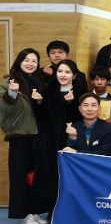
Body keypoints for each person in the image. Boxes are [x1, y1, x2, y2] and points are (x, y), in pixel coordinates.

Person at [0, 48, 46, 224]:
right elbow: (4, 109)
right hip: (20, 135)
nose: (30, 64)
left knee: (35, 176)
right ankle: (24, 214)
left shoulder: (38, 82)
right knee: (20, 176)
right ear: (19, 61)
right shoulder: (9, 81)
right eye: (26, 60)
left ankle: (34, 212)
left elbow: (40, 112)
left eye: (34, 61)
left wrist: (40, 101)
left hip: (37, 135)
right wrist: (12, 93)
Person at [39, 59, 87, 213]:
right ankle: (52, 211)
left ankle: (70, 210)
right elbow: (42, 116)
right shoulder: (49, 90)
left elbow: (83, 117)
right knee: (51, 175)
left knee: (69, 174)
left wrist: (71, 103)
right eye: (60, 71)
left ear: (74, 75)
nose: (63, 75)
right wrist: (38, 102)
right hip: (49, 140)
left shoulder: (80, 92)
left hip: (71, 139)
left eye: (67, 72)